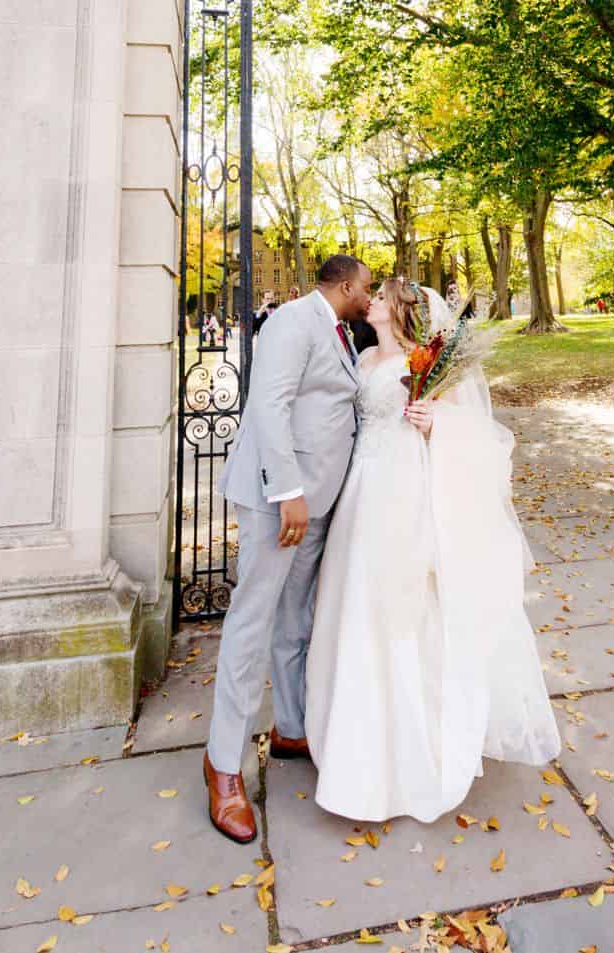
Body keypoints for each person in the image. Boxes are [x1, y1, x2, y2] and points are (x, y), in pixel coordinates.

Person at [305, 277, 561, 823]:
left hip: (400, 489)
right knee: (356, 603)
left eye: (381, 295)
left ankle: (414, 746)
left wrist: (432, 423)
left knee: (402, 605)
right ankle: (353, 736)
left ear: (400, 309)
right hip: (359, 491)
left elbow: (474, 429)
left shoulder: (428, 363)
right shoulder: (364, 352)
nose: (370, 299)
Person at [203, 254, 373, 844]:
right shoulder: (293, 322)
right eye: (366, 289)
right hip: (281, 501)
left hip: (317, 502)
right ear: (347, 285)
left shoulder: (341, 333)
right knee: (252, 624)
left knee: (297, 619)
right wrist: (291, 492)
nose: (369, 298)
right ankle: (224, 767)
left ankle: (291, 728)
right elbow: (267, 406)